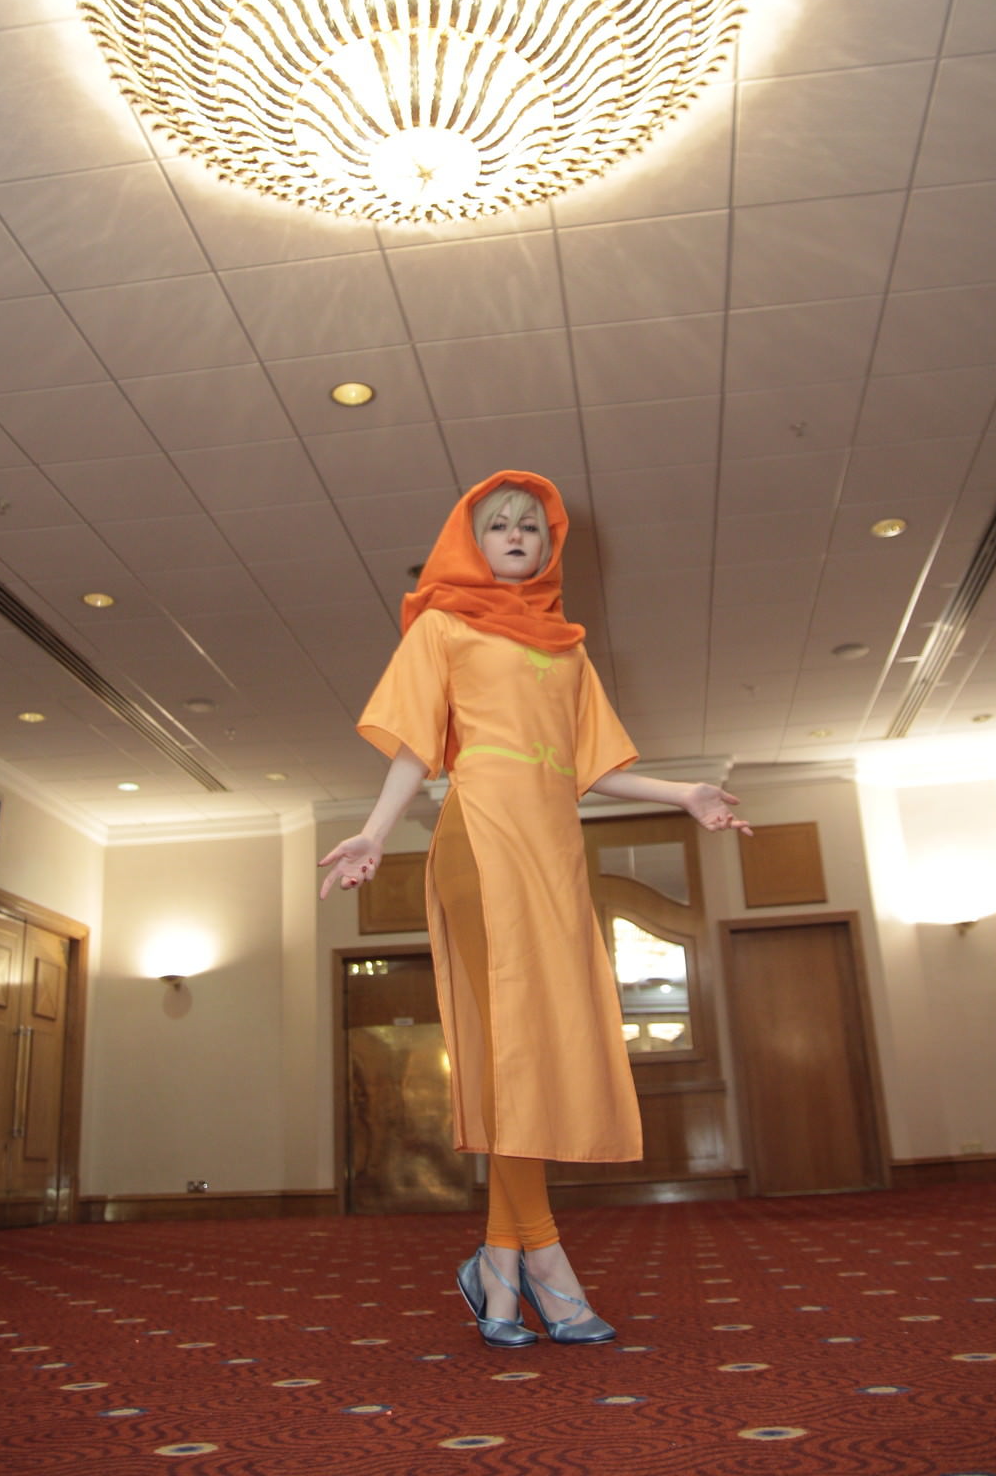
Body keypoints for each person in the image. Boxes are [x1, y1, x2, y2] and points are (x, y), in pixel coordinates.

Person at [320, 471, 750, 1347]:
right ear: (469, 540)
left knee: (538, 1046)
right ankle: (546, 1261)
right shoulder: (443, 625)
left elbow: (590, 765)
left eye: (532, 526)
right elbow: (414, 748)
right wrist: (373, 833)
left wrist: (685, 793)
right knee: (513, 1044)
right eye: (499, 524)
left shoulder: (568, 648)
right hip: (479, 838)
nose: (518, 534)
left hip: (554, 850)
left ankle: (497, 1264)